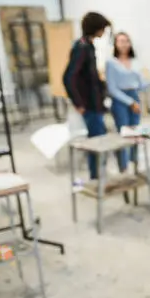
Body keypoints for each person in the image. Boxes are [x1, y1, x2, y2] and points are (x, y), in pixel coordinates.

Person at [63, 11, 111, 180]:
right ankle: (96, 177)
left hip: (96, 103)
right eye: (103, 28)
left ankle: (99, 174)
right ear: (96, 27)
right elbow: (69, 77)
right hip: (89, 105)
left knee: (100, 139)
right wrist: (79, 103)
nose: (104, 31)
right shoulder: (82, 47)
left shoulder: (88, 46)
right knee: (96, 143)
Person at [105, 32, 150, 172]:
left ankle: (135, 165)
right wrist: (130, 102)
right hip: (120, 100)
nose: (124, 44)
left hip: (135, 97)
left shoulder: (136, 62)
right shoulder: (111, 63)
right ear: (115, 44)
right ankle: (123, 168)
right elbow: (112, 89)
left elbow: (139, 85)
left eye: (126, 41)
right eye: (120, 41)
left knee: (136, 134)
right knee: (124, 134)